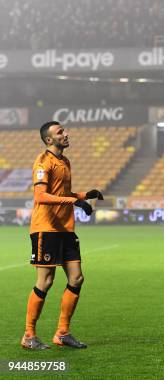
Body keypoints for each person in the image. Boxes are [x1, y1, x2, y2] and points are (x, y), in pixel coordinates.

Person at [22, 121, 103, 350]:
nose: (66, 134)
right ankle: (29, 335)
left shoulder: (64, 161)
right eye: (60, 132)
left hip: (65, 229)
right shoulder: (43, 162)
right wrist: (75, 201)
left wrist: (85, 195)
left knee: (76, 278)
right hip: (46, 228)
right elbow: (41, 196)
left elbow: (62, 193)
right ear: (49, 140)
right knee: (45, 281)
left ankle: (62, 333)